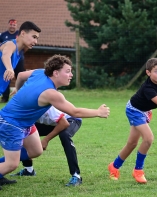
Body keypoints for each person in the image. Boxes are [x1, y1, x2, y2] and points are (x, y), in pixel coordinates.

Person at [0, 54, 110, 190]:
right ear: (56, 73)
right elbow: (74, 112)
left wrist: (18, 89)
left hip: (25, 123)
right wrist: (98, 112)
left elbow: (22, 75)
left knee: (36, 150)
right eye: (68, 71)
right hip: (11, 124)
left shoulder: (40, 72)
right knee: (12, 164)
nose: (71, 75)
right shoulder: (51, 93)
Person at [10, 106, 83, 187]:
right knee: (25, 129)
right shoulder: (24, 106)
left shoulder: (44, 104)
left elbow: (64, 123)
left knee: (64, 135)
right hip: (52, 123)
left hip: (70, 119)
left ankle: (76, 175)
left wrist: (46, 140)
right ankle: (29, 170)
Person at [0, 21, 37, 102]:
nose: (35, 41)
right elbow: (5, 55)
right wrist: (9, 68)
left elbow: (20, 75)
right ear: (23, 33)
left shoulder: (18, 53)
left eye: (37, 38)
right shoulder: (11, 44)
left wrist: (17, 88)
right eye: (34, 37)